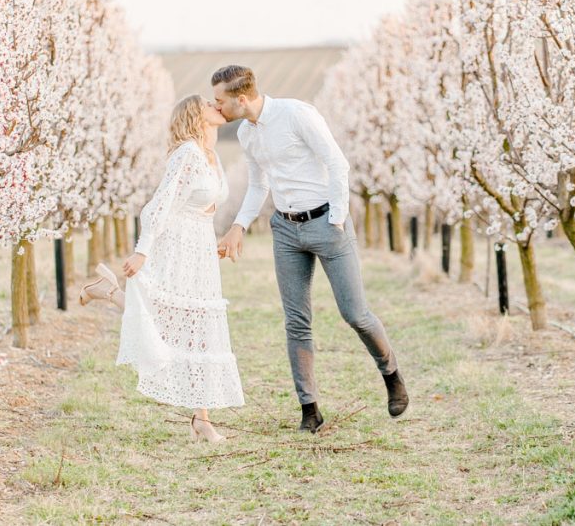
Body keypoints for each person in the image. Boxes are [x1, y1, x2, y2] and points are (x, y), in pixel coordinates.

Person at [213, 65, 408, 434]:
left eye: (220, 100)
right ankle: (309, 409)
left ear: (241, 99)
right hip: (286, 231)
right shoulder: (245, 133)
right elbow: (258, 185)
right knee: (296, 322)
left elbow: (337, 163)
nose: (215, 106)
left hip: (326, 223)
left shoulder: (296, 114)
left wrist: (335, 219)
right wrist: (238, 225)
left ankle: (391, 374)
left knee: (355, 314)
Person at [79, 95, 244, 442]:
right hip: (175, 244)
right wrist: (142, 252)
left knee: (198, 328)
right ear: (197, 116)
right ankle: (107, 292)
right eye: (210, 106)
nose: (218, 107)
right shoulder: (186, 154)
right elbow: (160, 205)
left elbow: (208, 203)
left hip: (199, 246)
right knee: (167, 321)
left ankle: (202, 419)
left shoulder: (210, 155)